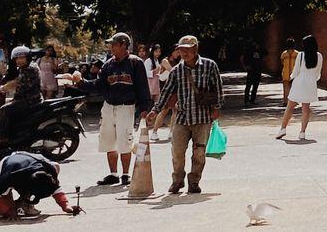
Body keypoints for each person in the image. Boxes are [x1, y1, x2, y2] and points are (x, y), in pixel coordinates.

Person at [145, 35, 223, 195]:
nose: (184, 53)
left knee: (199, 152)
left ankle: (194, 181)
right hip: (182, 117)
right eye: (181, 50)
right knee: (177, 151)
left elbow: (218, 88)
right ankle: (177, 180)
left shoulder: (210, 66)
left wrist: (217, 107)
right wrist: (155, 110)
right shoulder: (176, 71)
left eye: (187, 49)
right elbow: (167, 92)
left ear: (195, 49)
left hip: (203, 117)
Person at [77, 32, 151, 187]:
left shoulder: (135, 63)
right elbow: (99, 85)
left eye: (114, 44)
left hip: (126, 107)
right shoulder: (108, 64)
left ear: (124, 45)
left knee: (125, 141)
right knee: (108, 140)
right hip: (109, 106)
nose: (111, 47)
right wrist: (80, 83)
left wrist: (145, 108)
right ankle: (113, 174)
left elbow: (143, 87)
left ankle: (125, 174)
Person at [0, 150, 83, 219]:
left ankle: (23, 203)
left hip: (25, 161)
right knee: (1, 206)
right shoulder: (10, 176)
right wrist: (8, 210)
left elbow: (55, 188)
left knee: (56, 166)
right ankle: (12, 203)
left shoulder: (49, 169)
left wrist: (65, 205)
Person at [276, 35, 320, 140]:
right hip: (311, 83)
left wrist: (292, 78)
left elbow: (295, 72)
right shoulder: (319, 56)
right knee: (306, 108)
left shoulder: (300, 55)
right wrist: (312, 80)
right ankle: (302, 132)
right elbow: (318, 73)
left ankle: (283, 128)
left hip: (299, 82)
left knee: (290, 107)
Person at [0, 46, 41, 134]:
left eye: (21, 58)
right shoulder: (24, 68)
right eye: (17, 58)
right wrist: (3, 88)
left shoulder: (30, 69)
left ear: (27, 58)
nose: (18, 61)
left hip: (29, 100)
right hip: (27, 97)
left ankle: (3, 136)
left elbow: (17, 83)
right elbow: (18, 81)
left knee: (4, 109)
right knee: (5, 102)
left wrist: (3, 88)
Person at [149, 49, 177, 140]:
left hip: (176, 88)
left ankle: (172, 132)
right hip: (166, 88)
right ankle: (154, 131)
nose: (177, 53)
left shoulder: (179, 62)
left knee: (175, 111)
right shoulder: (165, 61)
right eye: (176, 51)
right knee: (164, 111)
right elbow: (173, 71)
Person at [279, 38, 298, 102]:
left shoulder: (284, 53)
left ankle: (285, 101)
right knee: (294, 89)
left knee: (286, 88)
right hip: (294, 74)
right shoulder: (296, 53)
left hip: (286, 73)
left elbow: (282, 62)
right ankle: (293, 102)